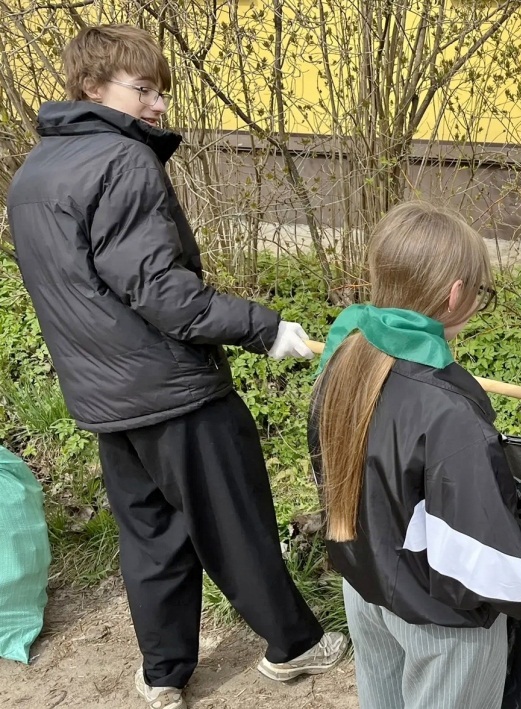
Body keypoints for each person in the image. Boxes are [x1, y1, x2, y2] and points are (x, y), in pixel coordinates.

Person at [6, 25, 344, 709]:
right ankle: (294, 645)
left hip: (106, 400)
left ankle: (163, 674)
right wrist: (263, 326)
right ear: (91, 87)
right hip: (174, 391)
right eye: (143, 89)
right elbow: (162, 293)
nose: (158, 104)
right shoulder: (122, 161)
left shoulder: (33, 172)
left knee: (151, 536)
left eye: (161, 90)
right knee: (235, 521)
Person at [308, 201, 521, 709]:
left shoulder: (344, 359)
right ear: (455, 294)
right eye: (480, 292)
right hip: (441, 626)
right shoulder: (449, 415)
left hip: (366, 590)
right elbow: (495, 572)